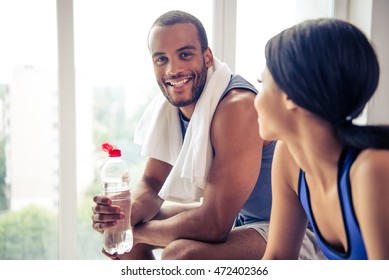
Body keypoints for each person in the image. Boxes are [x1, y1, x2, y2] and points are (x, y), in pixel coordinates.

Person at [92, 10, 323, 260]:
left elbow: (214, 224)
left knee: (181, 255)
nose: (173, 69)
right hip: (242, 221)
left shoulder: (237, 106)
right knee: (132, 239)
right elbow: (151, 184)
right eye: (161, 59)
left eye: (185, 54)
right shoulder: (170, 108)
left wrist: (132, 233)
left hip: (293, 232)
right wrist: (120, 216)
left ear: (207, 56)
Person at [255, 18, 389, 260]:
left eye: (262, 83)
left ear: (291, 96)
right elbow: (276, 258)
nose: (256, 99)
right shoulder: (288, 157)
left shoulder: (374, 169)